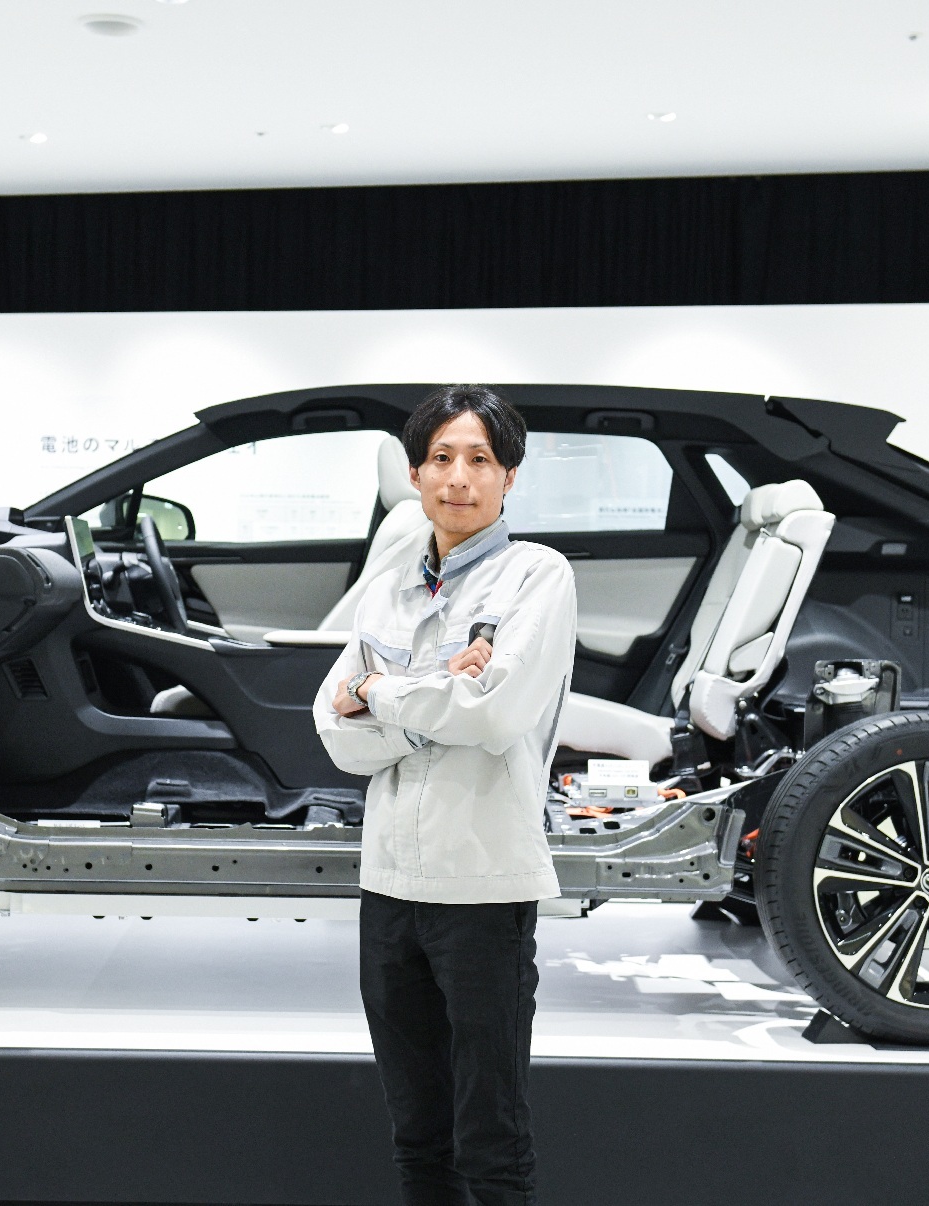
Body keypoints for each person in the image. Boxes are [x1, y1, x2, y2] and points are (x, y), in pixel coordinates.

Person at [313, 385, 577, 1206]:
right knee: (416, 1141)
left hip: (483, 887)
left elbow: (496, 711)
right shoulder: (390, 585)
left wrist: (384, 692)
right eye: (440, 458)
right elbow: (331, 728)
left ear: (509, 476)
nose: (457, 477)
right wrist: (435, 693)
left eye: (479, 460)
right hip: (388, 886)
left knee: (490, 1140)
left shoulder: (536, 576)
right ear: (416, 470)